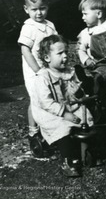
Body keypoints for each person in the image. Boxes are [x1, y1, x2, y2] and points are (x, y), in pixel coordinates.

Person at [32, 34, 94, 177]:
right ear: (47, 58)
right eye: (60, 53)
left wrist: (79, 92)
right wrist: (64, 114)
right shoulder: (43, 77)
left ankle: (86, 150)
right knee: (62, 127)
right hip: (49, 111)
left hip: (69, 106)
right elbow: (45, 102)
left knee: (86, 119)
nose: (65, 56)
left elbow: (74, 92)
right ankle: (67, 160)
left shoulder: (69, 72)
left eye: (66, 52)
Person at [17, 0, 58, 149]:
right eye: (34, 9)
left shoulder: (50, 25)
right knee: (36, 100)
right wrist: (37, 70)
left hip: (48, 70)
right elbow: (25, 50)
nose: (39, 13)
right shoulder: (29, 27)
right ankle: (33, 131)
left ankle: (47, 128)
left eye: (42, 8)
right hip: (35, 72)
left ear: (47, 6)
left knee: (49, 98)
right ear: (26, 9)